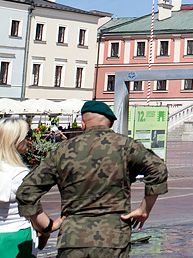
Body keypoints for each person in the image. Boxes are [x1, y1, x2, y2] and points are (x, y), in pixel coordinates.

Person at [16, 100, 168, 258]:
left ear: (83, 123)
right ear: (110, 124)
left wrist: (46, 227)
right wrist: (144, 209)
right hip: (113, 239)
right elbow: (158, 169)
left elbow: (26, 192)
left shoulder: (63, 151)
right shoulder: (125, 146)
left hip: (73, 239)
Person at [0, 117, 42, 257]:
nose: (29, 139)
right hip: (16, 235)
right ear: (16, 139)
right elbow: (34, 212)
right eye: (27, 135)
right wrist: (50, 227)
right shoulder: (19, 174)